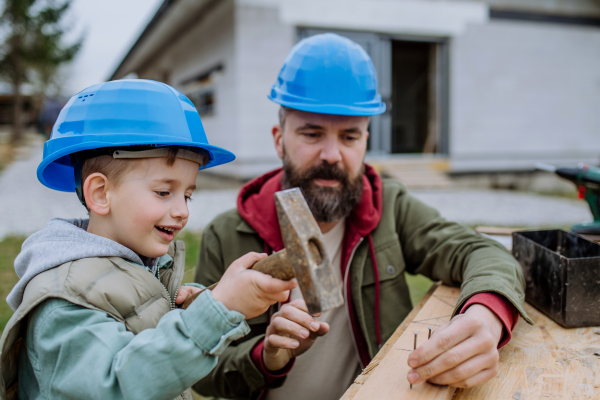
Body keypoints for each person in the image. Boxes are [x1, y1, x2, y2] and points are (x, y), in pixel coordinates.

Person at [192, 33, 531, 400]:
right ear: (279, 139)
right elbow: (203, 372)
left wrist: (485, 317)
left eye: (350, 136)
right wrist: (268, 355)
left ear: (366, 141)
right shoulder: (227, 234)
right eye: (312, 133)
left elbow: (483, 252)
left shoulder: (388, 206)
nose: (332, 155)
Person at [0, 80, 296, 400]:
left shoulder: (139, 265)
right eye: (164, 192)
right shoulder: (65, 300)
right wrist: (221, 308)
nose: (182, 211)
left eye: (188, 195)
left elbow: (146, 337)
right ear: (100, 194)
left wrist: (200, 304)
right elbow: (116, 385)